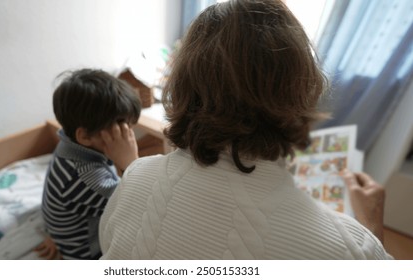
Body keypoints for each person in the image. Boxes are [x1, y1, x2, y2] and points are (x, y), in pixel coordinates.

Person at [98, 0, 391, 259]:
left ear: (184, 85)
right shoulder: (347, 249)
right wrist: (371, 227)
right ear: (301, 89)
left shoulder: (134, 177)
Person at [41, 68, 140, 259]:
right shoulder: (87, 179)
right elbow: (136, 204)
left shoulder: (67, 143)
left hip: (63, 231)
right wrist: (131, 163)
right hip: (88, 253)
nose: (128, 134)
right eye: (120, 127)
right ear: (85, 136)